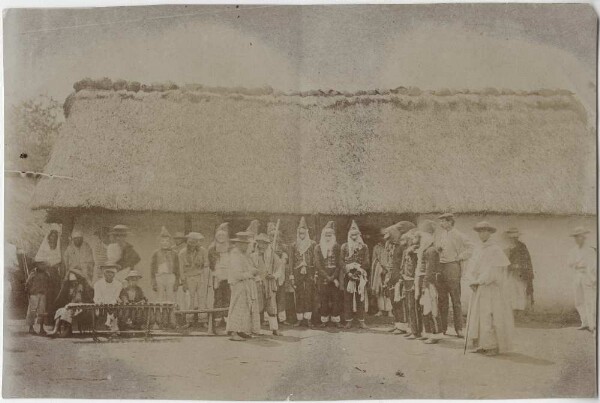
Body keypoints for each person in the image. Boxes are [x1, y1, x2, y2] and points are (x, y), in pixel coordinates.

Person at [466, 221, 513, 356]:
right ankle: (482, 344)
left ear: (490, 232)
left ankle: (492, 346)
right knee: (478, 315)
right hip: (478, 286)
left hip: (490, 286)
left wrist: (480, 281)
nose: (482, 234)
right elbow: (472, 265)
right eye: (480, 231)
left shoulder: (495, 249)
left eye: (485, 231)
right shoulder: (478, 248)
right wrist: (471, 279)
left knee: (490, 315)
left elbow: (494, 270)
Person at [435, 213, 473, 338]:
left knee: (455, 299)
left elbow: (470, 247)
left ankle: (459, 329)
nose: (441, 224)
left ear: (450, 222)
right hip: (441, 267)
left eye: (443, 221)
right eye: (441, 222)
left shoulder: (459, 235)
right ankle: (443, 328)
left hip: (452, 266)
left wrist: (460, 257)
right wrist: (439, 249)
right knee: (442, 299)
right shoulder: (442, 235)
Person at [226, 232, 261, 341]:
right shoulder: (235, 255)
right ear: (238, 244)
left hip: (247, 284)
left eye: (247, 244)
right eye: (244, 244)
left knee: (246, 308)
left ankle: (241, 330)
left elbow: (249, 268)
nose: (246, 246)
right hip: (239, 284)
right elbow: (237, 274)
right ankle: (233, 332)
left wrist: (253, 272)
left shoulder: (244, 255)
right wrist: (251, 273)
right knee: (238, 307)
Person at [385, 221, 416, 335]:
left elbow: (403, 262)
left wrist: (400, 277)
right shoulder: (391, 245)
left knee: (400, 301)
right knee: (394, 300)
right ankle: (397, 323)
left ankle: (403, 325)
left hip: (399, 276)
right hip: (391, 275)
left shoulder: (402, 246)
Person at [48, 266, 94, 338]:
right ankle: (55, 329)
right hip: (71, 306)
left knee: (68, 312)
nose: (73, 283)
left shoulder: (81, 286)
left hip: (81, 306)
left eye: (75, 281)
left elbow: (81, 298)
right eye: (72, 282)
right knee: (61, 310)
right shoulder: (69, 288)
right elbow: (65, 298)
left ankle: (66, 330)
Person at [252, 233, 283, 336]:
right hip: (257, 284)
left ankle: (274, 329)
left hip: (269, 285)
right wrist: (256, 276)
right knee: (257, 307)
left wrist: (273, 276)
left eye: (264, 243)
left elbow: (280, 269)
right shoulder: (253, 256)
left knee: (271, 307)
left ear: (267, 244)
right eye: (260, 243)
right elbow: (250, 269)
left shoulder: (273, 256)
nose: (261, 246)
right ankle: (255, 329)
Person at [340, 220, 370, 329]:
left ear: (359, 235)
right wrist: (348, 273)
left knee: (360, 297)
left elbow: (367, 262)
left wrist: (358, 272)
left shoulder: (364, 247)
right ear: (349, 235)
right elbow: (341, 262)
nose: (353, 237)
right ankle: (349, 321)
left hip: (360, 274)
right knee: (347, 298)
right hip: (348, 275)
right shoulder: (344, 247)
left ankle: (361, 320)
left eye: (355, 235)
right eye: (352, 235)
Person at [417, 221, 443, 344]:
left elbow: (430, 270)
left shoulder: (431, 251)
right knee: (425, 307)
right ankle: (428, 333)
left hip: (431, 283)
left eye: (423, 237)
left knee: (432, 308)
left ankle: (436, 334)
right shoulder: (427, 250)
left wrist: (425, 285)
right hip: (427, 282)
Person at [567, 227, 596, 333]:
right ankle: (584, 322)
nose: (577, 239)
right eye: (575, 237)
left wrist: (593, 278)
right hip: (577, 275)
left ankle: (593, 324)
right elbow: (570, 263)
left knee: (589, 300)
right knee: (578, 300)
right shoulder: (573, 250)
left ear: (584, 237)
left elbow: (593, 265)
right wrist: (577, 264)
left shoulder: (590, 250)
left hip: (587, 276)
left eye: (579, 236)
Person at [289, 217, 317, 327]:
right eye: (300, 233)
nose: (302, 235)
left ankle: (308, 319)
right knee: (299, 294)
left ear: (307, 233)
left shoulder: (312, 244)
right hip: (297, 272)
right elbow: (291, 261)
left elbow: (315, 260)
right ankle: (299, 319)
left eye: (303, 233)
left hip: (309, 272)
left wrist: (315, 273)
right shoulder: (294, 245)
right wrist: (291, 275)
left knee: (309, 294)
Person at [314, 221, 342, 328]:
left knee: (336, 299)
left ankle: (336, 319)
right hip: (323, 277)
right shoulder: (318, 247)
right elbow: (318, 265)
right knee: (324, 299)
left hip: (335, 277)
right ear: (323, 235)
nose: (328, 237)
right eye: (326, 235)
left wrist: (334, 277)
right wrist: (327, 277)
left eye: (330, 235)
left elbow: (339, 264)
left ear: (333, 236)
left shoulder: (337, 247)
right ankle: (324, 320)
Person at [34, 224, 63, 325]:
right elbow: (38, 260)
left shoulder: (58, 249)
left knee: (55, 296)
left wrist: (53, 265)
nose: (53, 240)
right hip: (45, 275)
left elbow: (59, 260)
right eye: (51, 237)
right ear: (48, 238)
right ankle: (44, 321)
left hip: (55, 275)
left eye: (55, 238)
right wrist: (47, 265)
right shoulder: (44, 248)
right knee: (45, 297)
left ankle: (53, 319)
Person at [179, 232, 208, 327]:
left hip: (200, 276)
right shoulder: (182, 253)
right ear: (187, 242)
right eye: (191, 242)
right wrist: (183, 282)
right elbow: (181, 268)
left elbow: (206, 263)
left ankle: (203, 320)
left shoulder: (203, 251)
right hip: (189, 278)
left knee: (202, 298)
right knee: (189, 299)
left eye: (195, 242)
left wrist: (205, 277)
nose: (193, 244)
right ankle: (188, 321)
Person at [503, 228, 534, 315]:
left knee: (520, 289)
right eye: (511, 237)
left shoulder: (522, 247)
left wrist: (520, 267)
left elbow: (526, 260)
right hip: (511, 272)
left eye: (515, 237)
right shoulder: (508, 247)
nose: (513, 239)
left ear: (517, 237)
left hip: (520, 273)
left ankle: (520, 309)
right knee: (511, 289)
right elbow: (506, 259)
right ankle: (513, 309)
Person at [267, 222, 292, 325]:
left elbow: (289, 259)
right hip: (269, 274)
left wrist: (283, 257)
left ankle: (282, 318)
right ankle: (268, 318)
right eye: (272, 236)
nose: (275, 238)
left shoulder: (283, 247)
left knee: (281, 296)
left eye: (276, 235)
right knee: (269, 296)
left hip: (280, 274)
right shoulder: (267, 246)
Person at [208, 223, 232, 330]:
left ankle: (227, 318)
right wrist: (216, 273)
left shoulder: (231, 248)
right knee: (218, 297)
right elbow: (210, 263)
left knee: (228, 296)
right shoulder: (212, 248)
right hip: (217, 275)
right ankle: (217, 318)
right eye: (219, 235)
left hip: (229, 275)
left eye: (223, 235)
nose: (221, 237)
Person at [402, 229, 424, 340]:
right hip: (407, 279)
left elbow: (416, 267)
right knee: (409, 306)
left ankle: (416, 331)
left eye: (411, 238)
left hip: (413, 280)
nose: (409, 240)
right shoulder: (407, 250)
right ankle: (411, 329)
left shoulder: (416, 250)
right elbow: (404, 265)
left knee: (414, 307)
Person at [150, 227, 180, 303]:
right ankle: (159, 314)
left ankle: (171, 314)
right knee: (159, 299)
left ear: (170, 242)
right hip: (159, 277)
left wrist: (177, 281)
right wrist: (153, 282)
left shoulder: (174, 253)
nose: (165, 243)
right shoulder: (156, 253)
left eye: (167, 241)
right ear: (159, 242)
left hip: (170, 276)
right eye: (162, 241)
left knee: (171, 298)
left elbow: (177, 269)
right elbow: (152, 270)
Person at [94, 261, 123, 332]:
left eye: (112, 273)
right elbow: (97, 297)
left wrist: (112, 304)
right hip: (101, 306)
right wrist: (102, 303)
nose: (109, 274)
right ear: (104, 273)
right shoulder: (98, 284)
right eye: (107, 272)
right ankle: (104, 326)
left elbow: (116, 296)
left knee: (116, 309)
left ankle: (113, 327)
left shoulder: (118, 284)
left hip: (113, 306)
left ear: (114, 274)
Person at [371, 228, 392, 317]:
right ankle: (380, 310)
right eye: (381, 236)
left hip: (389, 271)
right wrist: (380, 268)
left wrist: (388, 269)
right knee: (379, 291)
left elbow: (393, 258)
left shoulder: (391, 246)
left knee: (388, 290)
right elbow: (374, 260)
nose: (383, 238)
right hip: (379, 272)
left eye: (384, 236)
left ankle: (390, 310)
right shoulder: (376, 247)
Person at [25, 263, 50, 335]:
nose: (43, 266)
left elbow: (48, 283)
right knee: (32, 311)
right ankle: (31, 327)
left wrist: (46, 291)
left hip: (43, 294)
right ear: (37, 265)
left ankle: (41, 328)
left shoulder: (46, 274)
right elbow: (28, 283)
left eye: (44, 264)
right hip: (34, 294)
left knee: (42, 311)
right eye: (41, 264)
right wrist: (29, 291)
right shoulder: (33, 273)